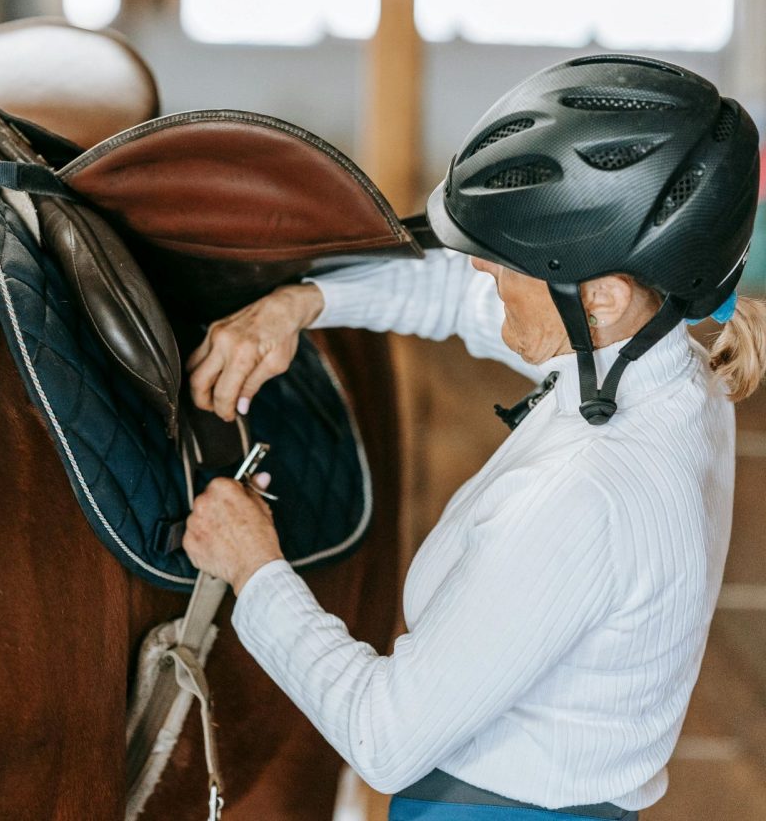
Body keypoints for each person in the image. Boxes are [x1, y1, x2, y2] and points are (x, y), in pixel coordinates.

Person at [181, 55, 766, 821]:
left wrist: (254, 566)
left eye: (512, 261)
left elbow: (384, 735)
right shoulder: (667, 369)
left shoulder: (586, 495)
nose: (485, 268)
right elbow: (460, 296)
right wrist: (303, 302)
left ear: (603, 298)